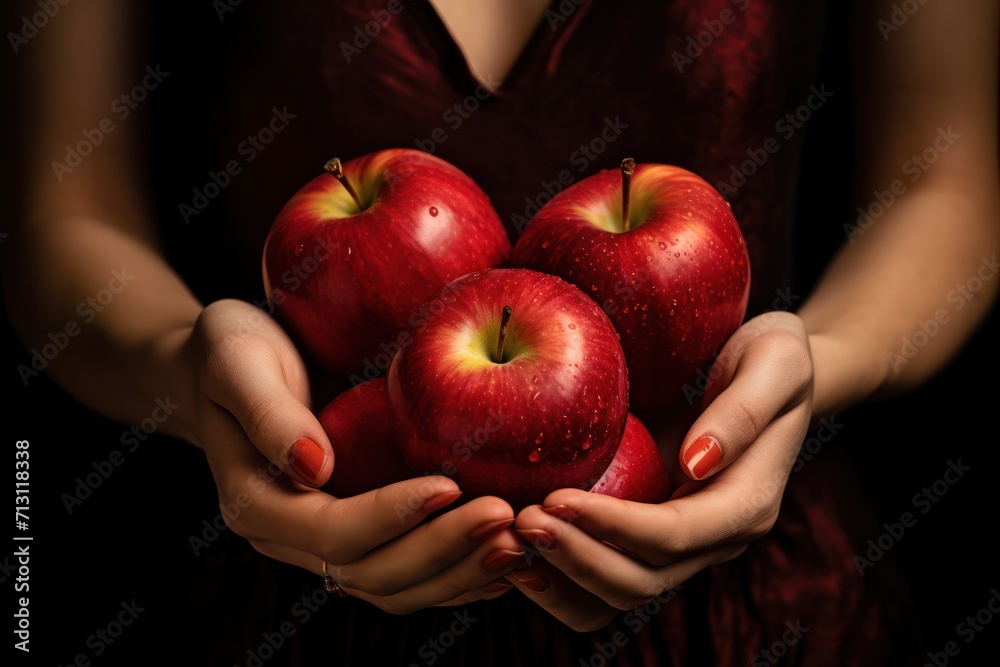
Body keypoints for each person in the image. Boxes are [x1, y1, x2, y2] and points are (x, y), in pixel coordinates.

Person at [5, 0, 997, 664]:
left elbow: (945, 189)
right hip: (297, 557)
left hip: (745, 584)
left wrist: (811, 365)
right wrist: (189, 369)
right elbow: (60, 216)